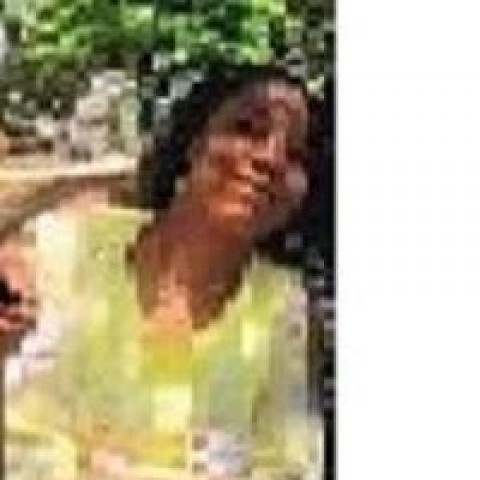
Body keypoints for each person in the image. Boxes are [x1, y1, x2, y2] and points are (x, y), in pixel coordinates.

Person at [3, 64, 331, 478]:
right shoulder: (64, 249)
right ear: (193, 142)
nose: (270, 159)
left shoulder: (283, 306)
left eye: (297, 155)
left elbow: (290, 465)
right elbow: (17, 430)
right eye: (247, 129)